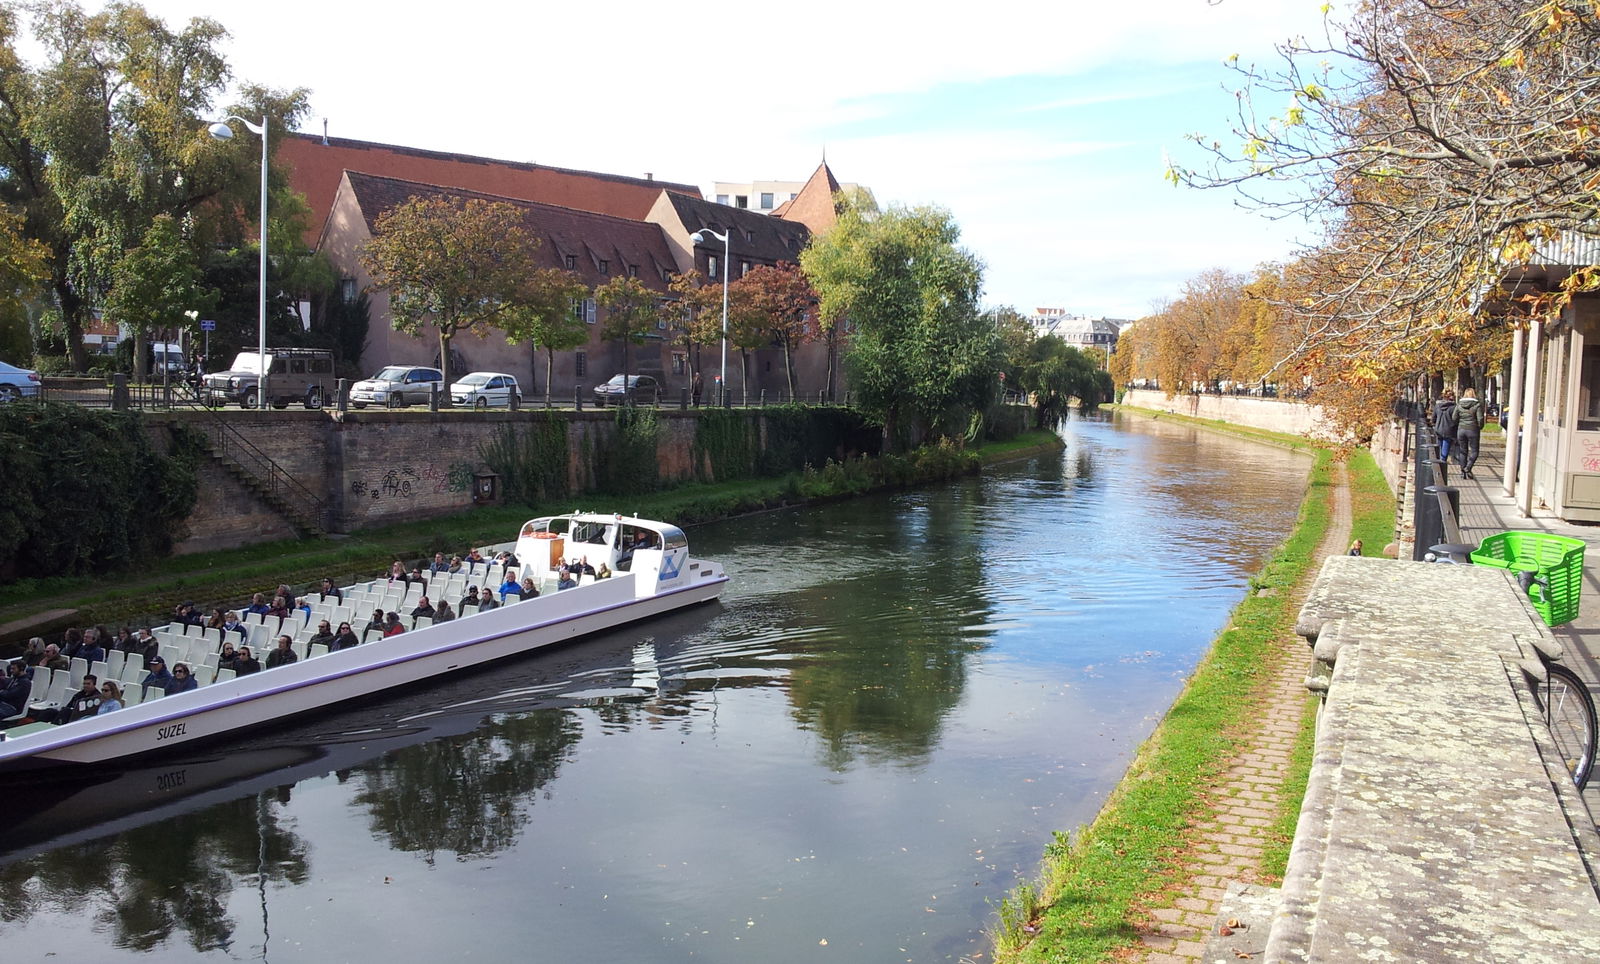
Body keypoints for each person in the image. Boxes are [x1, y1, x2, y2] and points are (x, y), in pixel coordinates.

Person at [1455, 387, 1486, 480]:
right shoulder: (1477, 405)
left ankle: (1462, 472)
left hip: (1461, 430)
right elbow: (1480, 419)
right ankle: (1468, 467)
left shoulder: (1459, 404)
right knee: (1474, 451)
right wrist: (1479, 427)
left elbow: (1454, 417)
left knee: (1463, 451)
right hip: (1473, 430)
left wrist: (1459, 423)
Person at [1431, 391, 1457, 461]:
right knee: (1446, 447)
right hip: (1449, 429)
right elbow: (1456, 419)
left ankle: (1439, 461)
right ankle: (1443, 462)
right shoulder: (1454, 407)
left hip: (1438, 429)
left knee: (1439, 447)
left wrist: (1434, 424)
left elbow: (1433, 418)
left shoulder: (1438, 406)